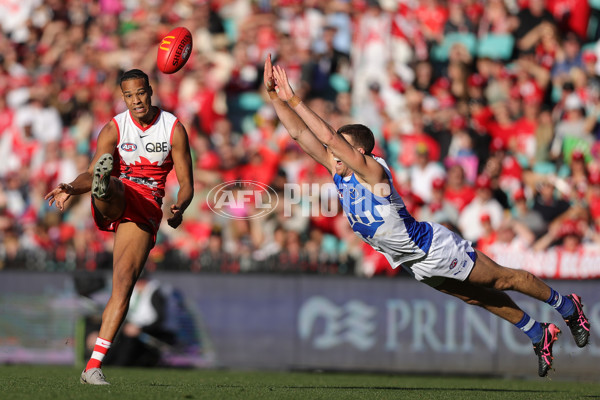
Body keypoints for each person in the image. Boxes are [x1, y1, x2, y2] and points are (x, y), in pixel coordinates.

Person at [263, 55, 590, 378]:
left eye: (341, 149)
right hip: (412, 260)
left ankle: (568, 308)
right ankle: (537, 332)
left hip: (432, 247)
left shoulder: (373, 171)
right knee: (474, 296)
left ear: (359, 152)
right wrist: (275, 97)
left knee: (502, 278)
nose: (332, 153)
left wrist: (294, 98)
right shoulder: (341, 173)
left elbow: (328, 137)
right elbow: (299, 135)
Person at [44, 69, 194, 385]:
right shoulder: (113, 128)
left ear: (150, 91)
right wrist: (71, 187)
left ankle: (92, 367)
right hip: (121, 192)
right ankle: (103, 187)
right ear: (123, 97)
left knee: (123, 283)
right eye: (129, 95)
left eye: (140, 92)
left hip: (148, 205)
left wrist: (179, 207)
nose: (136, 100)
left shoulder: (173, 129)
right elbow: (87, 171)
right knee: (107, 181)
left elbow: (187, 184)